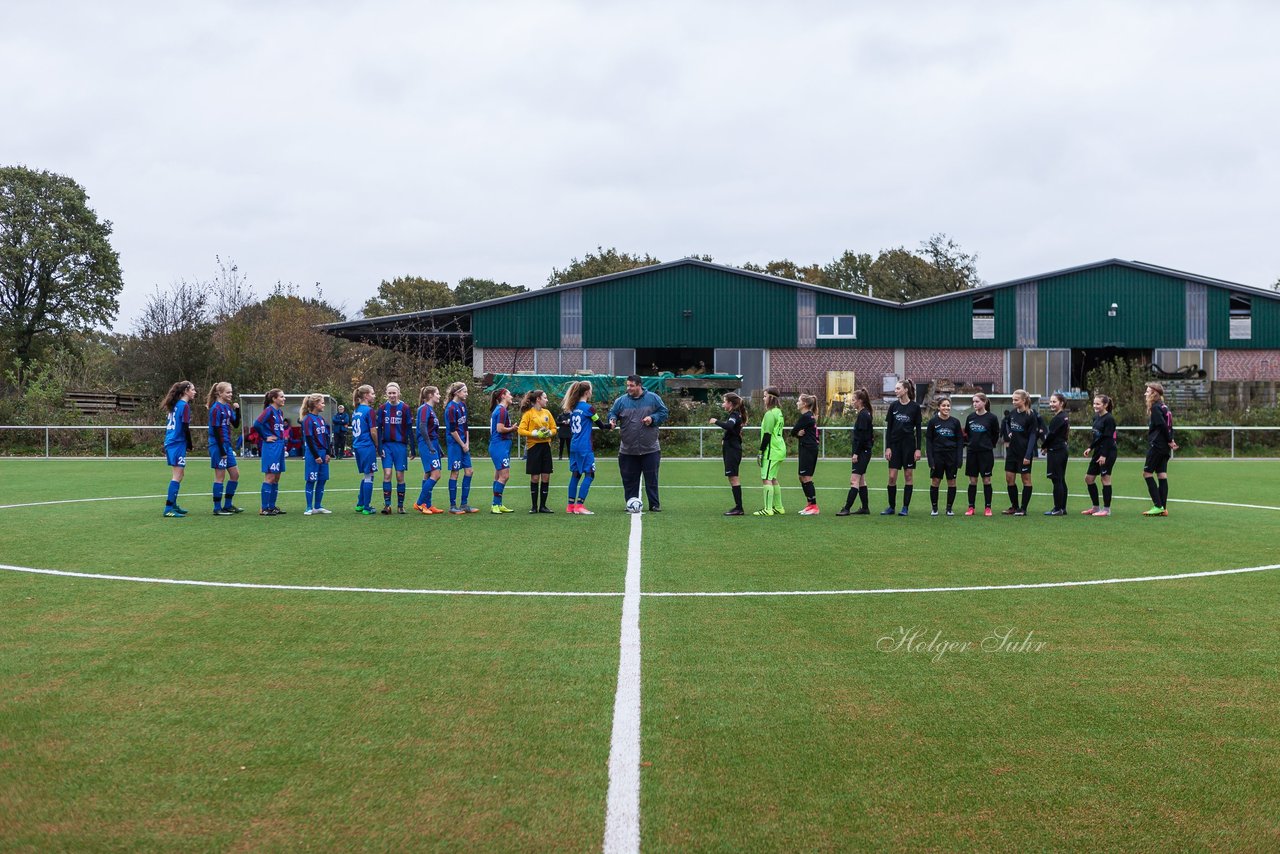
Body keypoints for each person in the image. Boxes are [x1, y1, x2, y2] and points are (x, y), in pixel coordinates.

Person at [608, 375, 669, 513]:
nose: (628, 388)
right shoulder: (621, 401)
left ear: (639, 385)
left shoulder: (653, 398)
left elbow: (664, 412)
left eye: (631, 385)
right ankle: (630, 503)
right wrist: (612, 419)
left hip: (650, 449)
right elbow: (612, 412)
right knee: (629, 480)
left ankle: (654, 505)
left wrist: (653, 418)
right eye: (627, 385)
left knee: (651, 480)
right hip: (627, 450)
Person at [881, 379, 922, 516]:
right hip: (895, 446)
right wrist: (888, 447)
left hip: (909, 446)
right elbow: (889, 428)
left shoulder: (915, 407)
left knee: (908, 476)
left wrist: (918, 448)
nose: (895, 391)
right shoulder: (893, 406)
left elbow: (918, 429)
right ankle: (891, 507)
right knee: (892, 477)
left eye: (898, 388)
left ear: (905, 390)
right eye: (896, 388)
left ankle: (905, 507)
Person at [565, 380, 604, 514]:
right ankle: (580, 505)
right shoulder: (589, 408)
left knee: (575, 474)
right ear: (587, 392)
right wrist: (610, 425)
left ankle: (570, 506)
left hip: (574, 445)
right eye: (591, 390)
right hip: (585, 447)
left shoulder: (573, 407)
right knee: (590, 474)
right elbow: (601, 425)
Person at [376, 382, 414, 514]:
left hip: (400, 446)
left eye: (394, 393)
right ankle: (387, 506)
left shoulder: (405, 408)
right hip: (386, 446)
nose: (392, 395)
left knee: (399, 476)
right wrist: (379, 447)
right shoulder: (382, 409)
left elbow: (409, 429)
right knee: (387, 474)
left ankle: (400, 506)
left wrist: (412, 448)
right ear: (386, 394)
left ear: (398, 393)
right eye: (389, 393)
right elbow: (379, 429)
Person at [518, 388, 558, 513]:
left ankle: (543, 506)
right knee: (535, 478)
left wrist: (548, 433)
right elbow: (520, 430)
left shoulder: (547, 413)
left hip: (546, 447)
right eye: (545, 397)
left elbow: (554, 428)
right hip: (533, 448)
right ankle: (534, 507)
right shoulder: (528, 414)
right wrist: (534, 434)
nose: (547, 400)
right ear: (538, 399)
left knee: (546, 476)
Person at [1001, 389, 1040, 516]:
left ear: (1024, 400)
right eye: (1013, 399)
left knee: (1026, 480)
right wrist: (1009, 432)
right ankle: (1014, 506)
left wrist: (1028, 455)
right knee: (1009, 478)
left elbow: (1033, 436)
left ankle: (1023, 509)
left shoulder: (1031, 415)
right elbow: (1006, 423)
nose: (1013, 402)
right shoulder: (1012, 413)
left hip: (1024, 453)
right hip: (1012, 452)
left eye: (1016, 400)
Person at [207, 381, 243, 516]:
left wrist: (237, 410)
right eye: (228, 392)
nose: (230, 394)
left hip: (226, 445)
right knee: (220, 477)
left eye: (231, 392)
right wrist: (222, 451)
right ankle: (217, 507)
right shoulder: (215, 408)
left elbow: (235, 424)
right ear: (220, 393)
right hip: (218, 445)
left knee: (235, 474)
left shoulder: (227, 407)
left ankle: (228, 505)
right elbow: (216, 430)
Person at [1142, 381, 1178, 516]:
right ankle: (1163, 508)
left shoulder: (1156, 407)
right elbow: (1170, 426)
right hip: (1164, 447)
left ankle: (1158, 505)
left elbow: (1162, 426)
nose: (1145, 393)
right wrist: (1171, 440)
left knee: (1147, 473)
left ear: (1154, 393)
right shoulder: (1165, 407)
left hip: (1157, 445)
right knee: (1162, 475)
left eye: (1147, 391)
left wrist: (1169, 440)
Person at [709, 391, 748, 516]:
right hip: (730, 448)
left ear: (730, 403)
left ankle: (739, 508)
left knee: (733, 477)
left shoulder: (735, 415)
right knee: (732, 477)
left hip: (733, 450)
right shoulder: (734, 414)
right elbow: (732, 431)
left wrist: (716, 421)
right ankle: (738, 507)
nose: (722, 404)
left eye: (724, 401)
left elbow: (729, 426)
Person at [837, 387, 874, 516]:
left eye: (853, 400)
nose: (852, 402)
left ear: (860, 401)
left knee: (854, 480)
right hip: (864, 451)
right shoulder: (864, 413)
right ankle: (865, 508)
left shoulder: (864, 415)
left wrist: (856, 453)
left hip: (862, 452)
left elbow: (863, 437)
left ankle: (846, 508)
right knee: (861, 480)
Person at [161, 380, 196, 517]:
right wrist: (190, 444)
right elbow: (185, 427)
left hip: (172, 442)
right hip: (177, 443)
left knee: (180, 474)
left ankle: (173, 505)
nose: (195, 392)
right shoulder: (184, 406)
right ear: (186, 391)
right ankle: (168, 509)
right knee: (177, 475)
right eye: (192, 389)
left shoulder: (175, 405)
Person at [962, 392, 1000, 517]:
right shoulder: (970, 417)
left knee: (986, 480)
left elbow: (995, 435)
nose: (975, 404)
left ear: (984, 402)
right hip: (972, 452)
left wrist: (988, 445)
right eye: (973, 401)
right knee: (972, 480)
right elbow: (967, 433)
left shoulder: (992, 418)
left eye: (977, 401)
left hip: (986, 453)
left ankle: (988, 508)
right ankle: (971, 507)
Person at [444, 382, 478, 513]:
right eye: (465, 391)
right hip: (455, 445)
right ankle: (453, 506)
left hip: (464, 444)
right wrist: (462, 444)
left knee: (469, 471)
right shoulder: (451, 408)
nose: (467, 394)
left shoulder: (463, 405)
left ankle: (464, 504)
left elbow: (465, 426)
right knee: (455, 472)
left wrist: (467, 443)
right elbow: (453, 431)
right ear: (457, 393)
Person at [925, 396, 963, 516]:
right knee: (935, 481)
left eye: (948, 406)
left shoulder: (955, 422)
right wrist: (930, 460)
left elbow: (960, 441)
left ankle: (949, 508)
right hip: (937, 456)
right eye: (944, 405)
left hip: (951, 456)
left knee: (951, 482)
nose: (946, 408)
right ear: (939, 407)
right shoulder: (933, 422)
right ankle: (934, 508)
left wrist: (959, 458)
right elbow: (929, 442)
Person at [253, 388, 288, 516]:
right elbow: (256, 424)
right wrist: (265, 436)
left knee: (277, 477)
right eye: (282, 396)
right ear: (274, 399)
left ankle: (272, 506)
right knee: (270, 476)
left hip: (279, 446)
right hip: (271, 447)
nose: (284, 399)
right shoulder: (268, 411)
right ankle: (264, 508)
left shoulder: (280, 412)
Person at [1082, 394, 1117, 516]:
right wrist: (1090, 447)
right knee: (1089, 478)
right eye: (1094, 403)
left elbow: (1108, 439)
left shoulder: (1109, 419)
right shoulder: (1096, 417)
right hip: (1098, 451)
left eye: (1098, 404)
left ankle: (1106, 509)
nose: (1095, 406)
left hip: (1108, 452)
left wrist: (1104, 455)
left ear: (1105, 405)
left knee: (1105, 478)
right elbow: (1098, 437)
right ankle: (1096, 507)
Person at [753, 386, 786, 516]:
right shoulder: (779, 412)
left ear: (771, 398)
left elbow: (767, 435)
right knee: (773, 478)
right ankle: (779, 507)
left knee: (766, 478)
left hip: (772, 451)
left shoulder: (770, 413)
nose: (763, 398)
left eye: (765, 396)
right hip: (779, 449)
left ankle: (768, 509)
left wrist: (761, 451)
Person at [414, 385, 446, 514]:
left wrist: (438, 448)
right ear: (430, 395)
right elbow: (422, 427)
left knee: (428, 474)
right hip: (426, 444)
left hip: (432, 444)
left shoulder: (431, 410)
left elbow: (432, 431)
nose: (439, 395)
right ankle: (420, 502)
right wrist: (430, 446)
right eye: (437, 393)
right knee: (436, 474)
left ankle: (428, 504)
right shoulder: (424, 408)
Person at [300, 393, 332, 515]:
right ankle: (309, 507)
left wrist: (328, 453)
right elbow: (308, 439)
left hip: (323, 453)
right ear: (315, 404)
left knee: (322, 479)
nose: (324, 405)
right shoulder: (307, 419)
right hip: (313, 454)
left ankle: (318, 506)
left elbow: (326, 437)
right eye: (322, 402)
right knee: (311, 479)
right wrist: (316, 456)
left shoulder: (321, 419)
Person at [351, 384, 379, 515]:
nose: (374, 396)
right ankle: (367, 507)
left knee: (366, 475)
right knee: (369, 475)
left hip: (357, 446)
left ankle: (360, 503)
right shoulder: (369, 410)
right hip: (367, 446)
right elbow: (373, 431)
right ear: (366, 396)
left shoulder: (356, 410)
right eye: (372, 393)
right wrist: (378, 445)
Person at [1042, 392, 1071, 516]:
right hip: (1061, 449)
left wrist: (1044, 446)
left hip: (1057, 451)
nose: (1051, 404)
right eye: (1050, 402)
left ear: (1061, 403)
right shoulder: (1064, 416)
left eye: (1054, 402)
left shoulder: (1058, 418)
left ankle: (1058, 508)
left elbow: (1051, 435)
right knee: (1061, 479)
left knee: (1056, 479)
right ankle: (1062, 508)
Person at [488, 387, 517, 513]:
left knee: (499, 475)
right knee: (505, 476)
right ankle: (495, 504)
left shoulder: (501, 410)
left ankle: (498, 504)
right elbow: (500, 429)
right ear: (503, 396)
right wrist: (512, 428)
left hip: (501, 445)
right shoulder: (501, 410)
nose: (512, 396)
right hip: (499, 445)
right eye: (509, 394)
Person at [793, 393, 821, 515]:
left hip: (809, 449)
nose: (797, 403)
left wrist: (797, 433)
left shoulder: (806, 417)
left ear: (804, 404)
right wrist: (797, 433)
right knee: (802, 476)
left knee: (806, 477)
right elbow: (795, 432)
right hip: (806, 448)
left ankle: (814, 506)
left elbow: (793, 431)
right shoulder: (808, 416)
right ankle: (809, 504)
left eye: (798, 401)